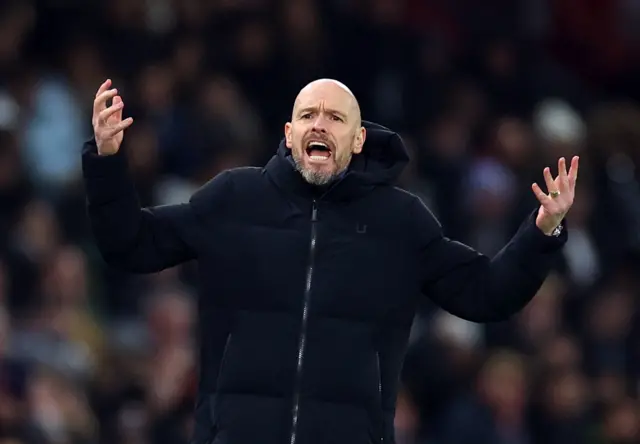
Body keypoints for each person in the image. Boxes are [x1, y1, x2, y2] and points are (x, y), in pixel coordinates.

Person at [82, 78, 579, 444]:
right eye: (309, 115)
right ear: (289, 132)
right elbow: (133, 245)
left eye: (335, 118)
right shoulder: (234, 198)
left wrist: (542, 230)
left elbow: (487, 293)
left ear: (358, 140)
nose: (320, 124)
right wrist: (106, 162)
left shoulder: (400, 221)